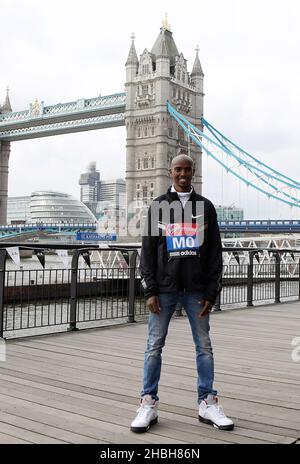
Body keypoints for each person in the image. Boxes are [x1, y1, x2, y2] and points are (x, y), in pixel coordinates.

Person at [130, 153, 234, 433]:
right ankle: (148, 403)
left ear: (193, 171)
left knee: (204, 348)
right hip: (163, 290)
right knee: (154, 346)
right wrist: (150, 289)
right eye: (178, 170)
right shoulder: (158, 206)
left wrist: (212, 292)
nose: (183, 174)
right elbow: (148, 251)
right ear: (170, 172)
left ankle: (207, 402)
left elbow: (214, 252)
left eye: (188, 170)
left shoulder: (206, 207)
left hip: (197, 290)